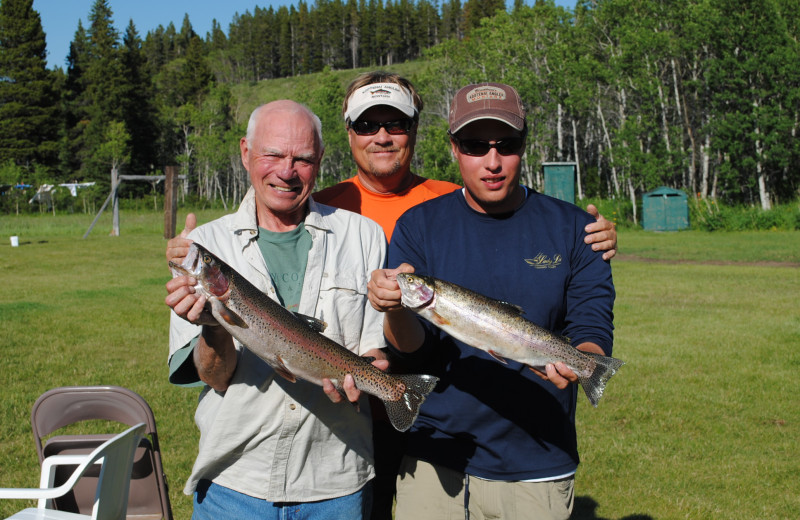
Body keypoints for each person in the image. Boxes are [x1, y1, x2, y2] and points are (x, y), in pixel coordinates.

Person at [166, 72, 619, 520]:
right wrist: (199, 278)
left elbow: (587, 309)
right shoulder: (315, 210)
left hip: (377, 442)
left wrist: (591, 240)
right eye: (367, 125)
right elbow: (404, 340)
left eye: (396, 124)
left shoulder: (428, 212)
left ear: (416, 132)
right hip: (363, 442)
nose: (382, 136)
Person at [366, 83, 616, 520]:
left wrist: (586, 360)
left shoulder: (577, 228)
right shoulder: (418, 226)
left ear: (525, 144)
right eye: (475, 145)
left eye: (507, 145)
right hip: (434, 457)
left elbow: (592, 319)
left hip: (536, 458)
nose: (493, 161)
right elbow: (413, 350)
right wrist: (395, 307)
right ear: (454, 148)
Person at [165, 100, 388, 519]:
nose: (287, 171)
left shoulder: (363, 236)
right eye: (273, 155)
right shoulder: (206, 248)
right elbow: (213, 378)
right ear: (246, 153)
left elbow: (376, 348)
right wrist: (213, 326)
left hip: (336, 483)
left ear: (319, 160)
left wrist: (376, 374)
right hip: (234, 484)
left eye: (302, 158)